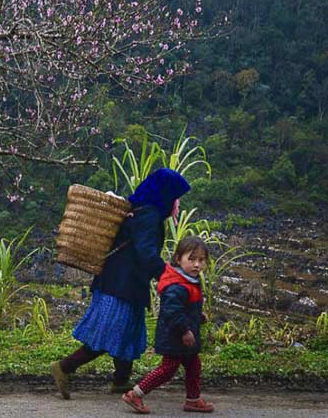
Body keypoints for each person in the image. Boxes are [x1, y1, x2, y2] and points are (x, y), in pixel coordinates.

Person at [50, 168, 191, 399]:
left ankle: (121, 380)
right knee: (109, 332)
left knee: (127, 332)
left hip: (123, 282)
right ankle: (64, 367)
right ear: (165, 194)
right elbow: (146, 253)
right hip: (120, 284)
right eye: (175, 196)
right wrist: (169, 276)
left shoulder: (141, 209)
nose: (177, 203)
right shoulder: (149, 215)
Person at [122, 235, 214, 414]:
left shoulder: (187, 281)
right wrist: (184, 330)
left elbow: (184, 307)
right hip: (175, 337)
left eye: (201, 260)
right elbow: (172, 312)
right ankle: (135, 394)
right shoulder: (176, 285)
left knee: (194, 365)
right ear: (178, 259)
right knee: (168, 369)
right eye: (192, 259)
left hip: (182, 335)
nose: (197, 265)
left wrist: (197, 316)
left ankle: (193, 399)